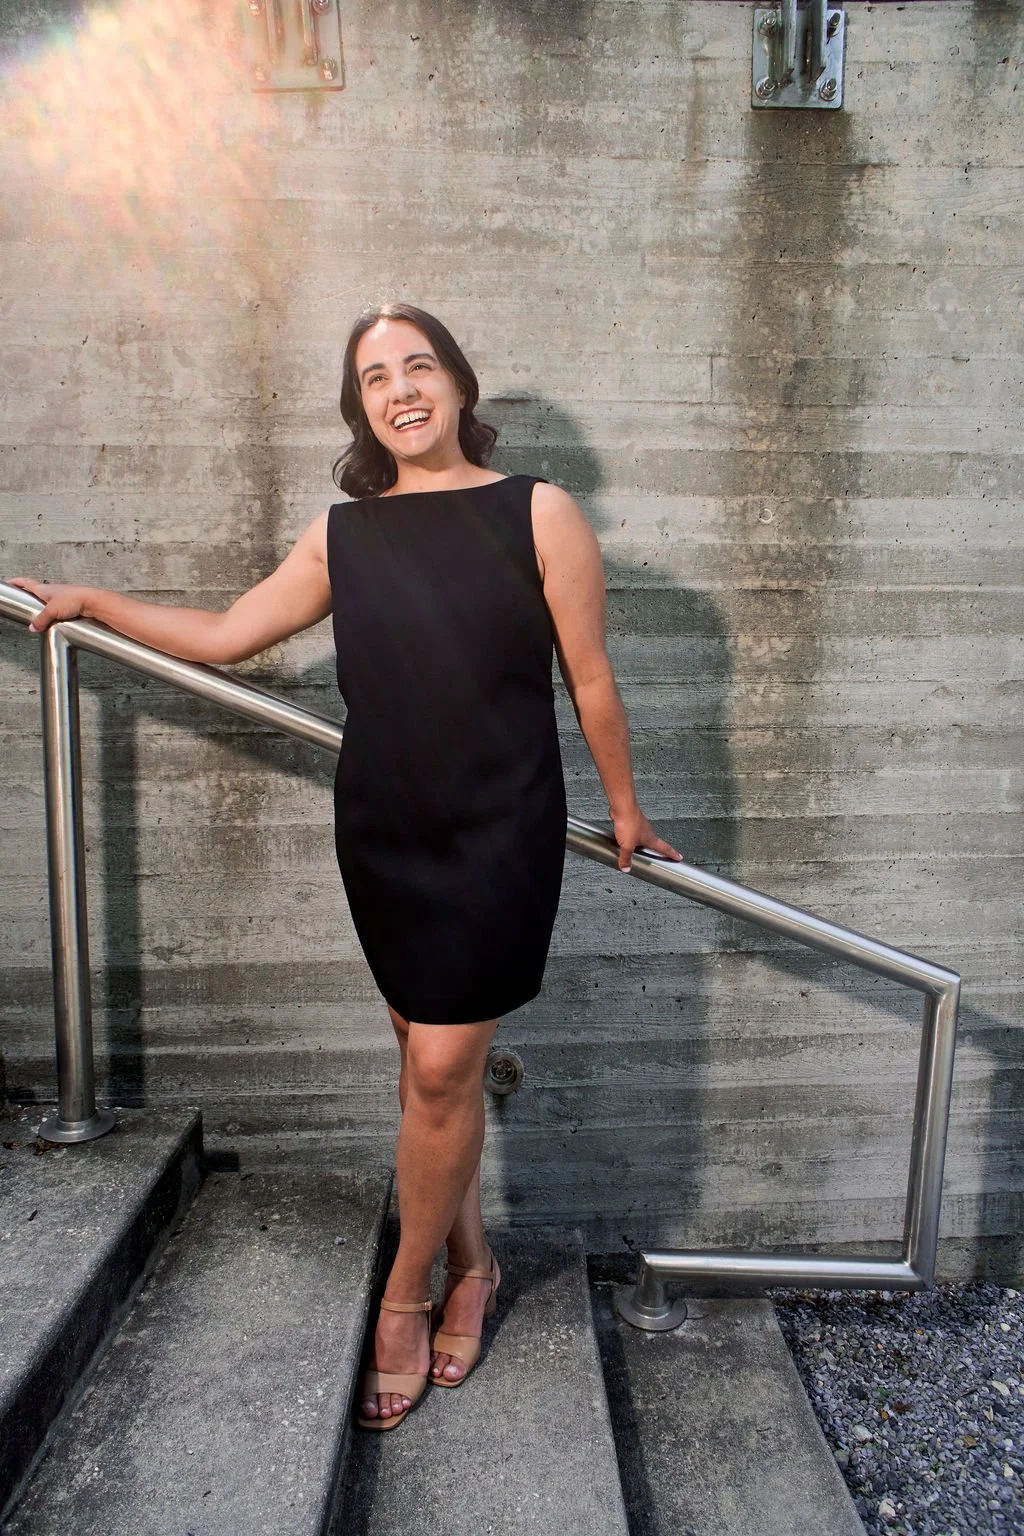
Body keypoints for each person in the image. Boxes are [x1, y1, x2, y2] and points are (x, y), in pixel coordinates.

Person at [12, 302, 682, 1431]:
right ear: (361, 409)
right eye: (376, 377)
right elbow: (230, 633)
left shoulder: (541, 512)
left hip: (501, 832)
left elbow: (591, 677)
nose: (401, 387)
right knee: (435, 1072)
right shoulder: (342, 535)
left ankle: (408, 1296)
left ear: (459, 386)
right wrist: (90, 602)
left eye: (419, 365)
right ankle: (475, 1264)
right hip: (384, 831)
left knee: (435, 1075)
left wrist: (624, 810)